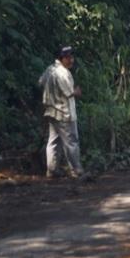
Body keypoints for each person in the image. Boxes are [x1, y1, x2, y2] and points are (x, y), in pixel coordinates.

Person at [38, 46, 88, 180]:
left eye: (71, 57)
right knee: (71, 142)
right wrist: (76, 92)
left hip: (52, 111)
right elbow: (69, 92)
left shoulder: (50, 69)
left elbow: (40, 82)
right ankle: (76, 171)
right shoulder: (63, 73)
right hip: (64, 112)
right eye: (68, 57)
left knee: (54, 141)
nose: (71, 60)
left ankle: (52, 170)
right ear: (62, 58)